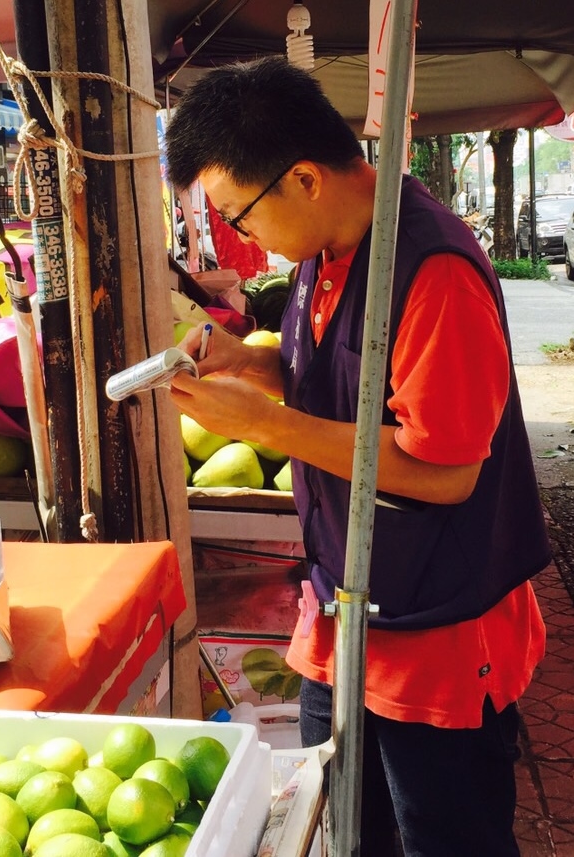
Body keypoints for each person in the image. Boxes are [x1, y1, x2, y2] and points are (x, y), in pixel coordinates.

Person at [164, 56, 551, 856]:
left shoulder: (431, 271)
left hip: (434, 630)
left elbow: (444, 471)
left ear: (302, 178)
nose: (243, 239)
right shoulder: (328, 248)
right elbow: (348, 380)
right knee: (342, 825)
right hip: (346, 614)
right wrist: (253, 362)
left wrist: (265, 427)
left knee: (445, 838)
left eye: (240, 217)